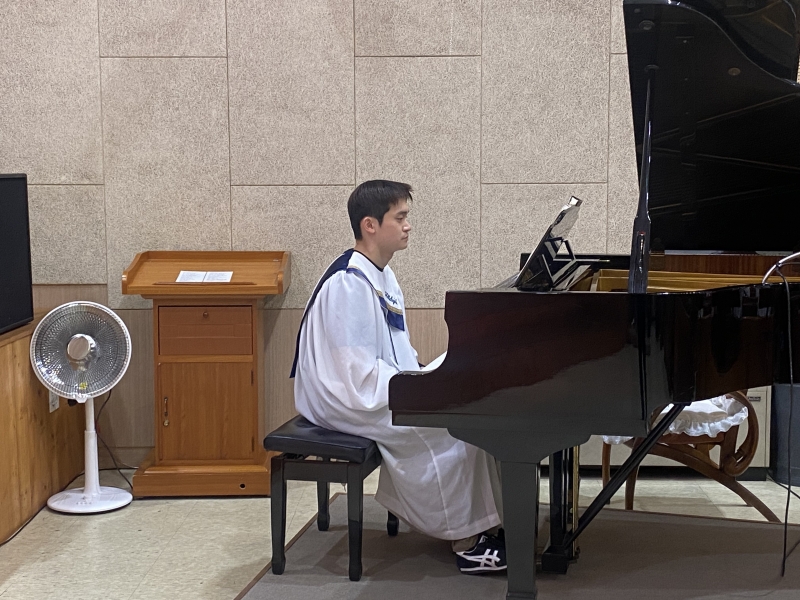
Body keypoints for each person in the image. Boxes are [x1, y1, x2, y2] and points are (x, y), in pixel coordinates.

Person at [291, 179, 505, 574]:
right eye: (400, 217)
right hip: (345, 396)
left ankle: (487, 524)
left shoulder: (382, 275)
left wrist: (422, 378)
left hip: (376, 384)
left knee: (467, 408)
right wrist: (416, 388)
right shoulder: (348, 283)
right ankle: (467, 540)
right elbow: (353, 373)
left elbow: (395, 349)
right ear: (370, 225)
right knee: (451, 428)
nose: (408, 225)